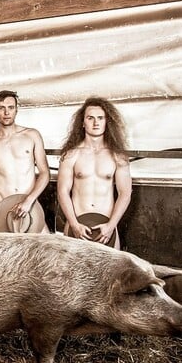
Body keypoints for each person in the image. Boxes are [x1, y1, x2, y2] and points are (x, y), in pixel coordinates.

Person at [57, 96, 132, 249]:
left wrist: (111, 225)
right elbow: (62, 191)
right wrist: (74, 224)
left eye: (100, 118)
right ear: (83, 122)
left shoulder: (118, 156)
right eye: (90, 118)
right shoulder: (71, 154)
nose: (96, 122)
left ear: (107, 122)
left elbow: (125, 193)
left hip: (106, 228)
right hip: (77, 225)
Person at [0, 90, 51, 233]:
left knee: (43, 244)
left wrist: (29, 201)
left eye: (10, 107)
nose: (6, 112)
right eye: (1, 108)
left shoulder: (32, 135)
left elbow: (45, 173)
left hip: (29, 203)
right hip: (1, 204)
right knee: (4, 247)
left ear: (16, 109)